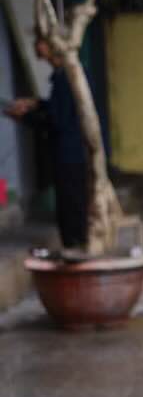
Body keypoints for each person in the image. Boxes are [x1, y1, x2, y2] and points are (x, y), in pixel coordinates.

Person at [4, 37, 88, 250]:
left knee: (71, 206)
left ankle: (75, 249)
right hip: (73, 151)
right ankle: (76, 246)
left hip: (69, 152)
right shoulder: (66, 74)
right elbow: (58, 109)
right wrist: (36, 104)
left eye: (40, 41)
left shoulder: (64, 77)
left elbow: (56, 120)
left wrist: (24, 117)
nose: (36, 46)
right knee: (73, 203)